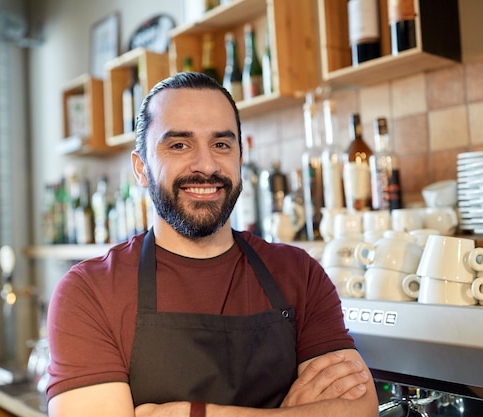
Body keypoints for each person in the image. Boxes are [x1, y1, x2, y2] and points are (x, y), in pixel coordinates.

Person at [46, 72, 379, 417]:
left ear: (239, 158)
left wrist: (196, 414)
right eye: (179, 145)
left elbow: (361, 410)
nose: (206, 165)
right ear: (141, 168)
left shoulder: (299, 273)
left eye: (221, 144)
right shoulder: (90, 292)